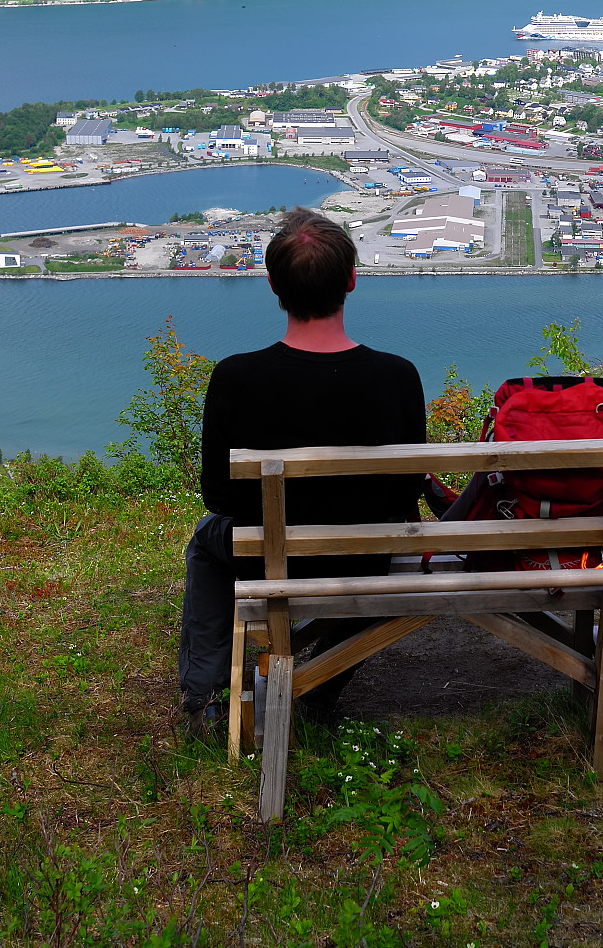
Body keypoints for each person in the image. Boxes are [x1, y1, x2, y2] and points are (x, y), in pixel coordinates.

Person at [178, 207, 426, 730]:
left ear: (273, 286)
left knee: (206, 540)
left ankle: (204, 695)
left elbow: (217, 496)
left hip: (268, 559)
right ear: (352, 281)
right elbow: (408, 489)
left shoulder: (235, 377)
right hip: (366, 558)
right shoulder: (399, 377)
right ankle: (316, 690)